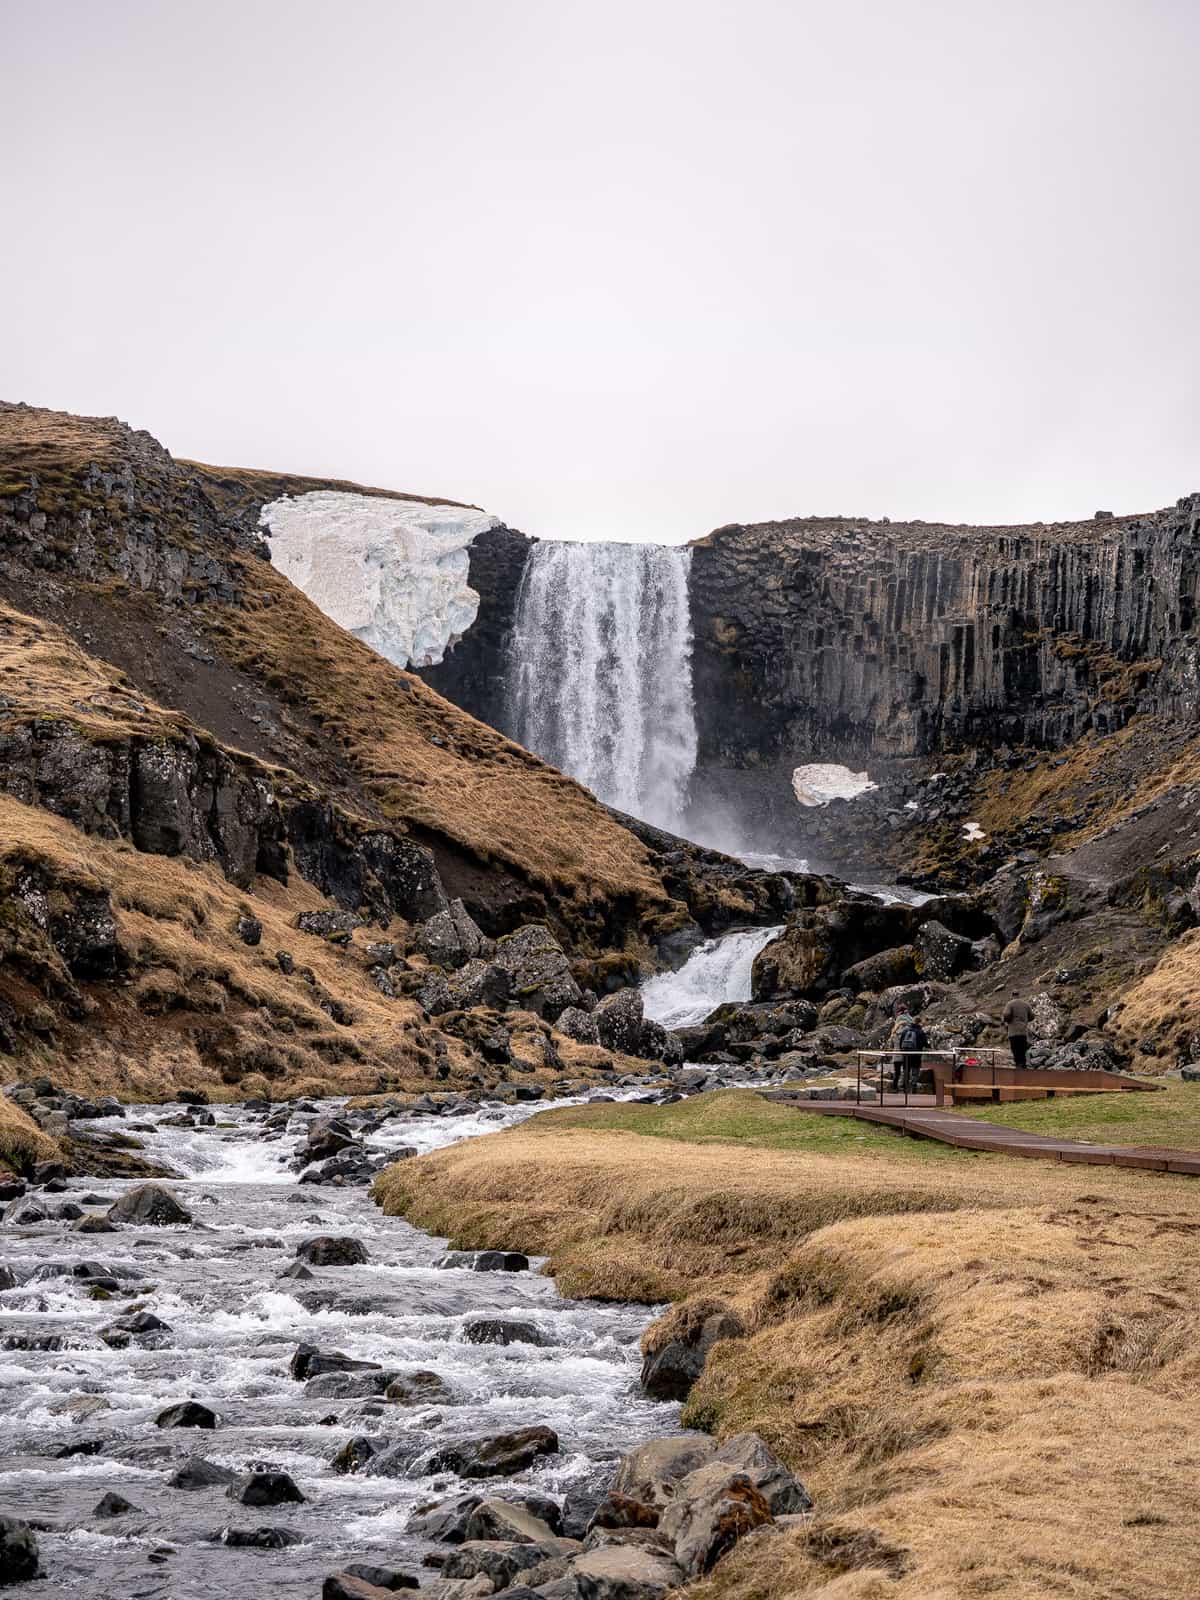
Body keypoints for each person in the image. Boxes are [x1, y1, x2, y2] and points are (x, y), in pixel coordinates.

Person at [896, 1011, 929, 1095]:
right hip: (916, 1055)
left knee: (905, 1071)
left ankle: (902, 1088)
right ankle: (912, 1088)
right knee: (915, 1072)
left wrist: (903, 1052)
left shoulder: (905, 1031)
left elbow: (901, 1043)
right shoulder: (920, 1032)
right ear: (920, 1023)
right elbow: (925, 1043)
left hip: (906, 1054)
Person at [1002, 991, 1032, 1068]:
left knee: (1015, 1049)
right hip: (1023, 1032)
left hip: (1013, 1031)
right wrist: (1025, 1021)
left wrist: (1007, 1021)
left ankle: (1018, 1066)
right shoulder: (1026, 1004)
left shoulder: (1010, 1004)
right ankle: (1023, 1066)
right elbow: (1032, 1016)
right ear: (1019, 995)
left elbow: (1006, 1014)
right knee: (1023, 1049)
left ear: (1012, 995)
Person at [888, 1005, 914, 1091]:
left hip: (897, 1055)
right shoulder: (910, 1030)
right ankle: (905, 1087)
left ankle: (895, 1087)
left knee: (897, 1072)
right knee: (906, 1071)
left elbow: (890, 1045)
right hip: (907, 1054)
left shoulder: (895, 1034)